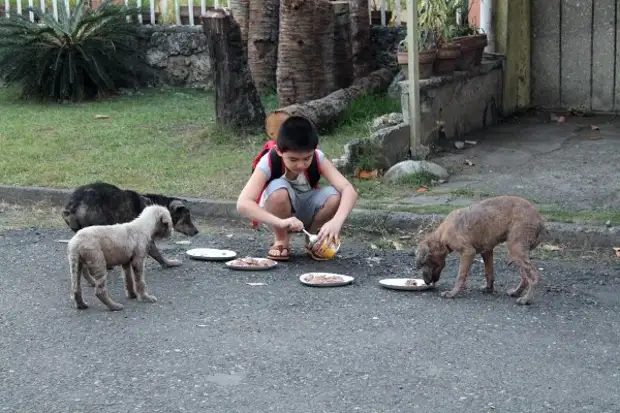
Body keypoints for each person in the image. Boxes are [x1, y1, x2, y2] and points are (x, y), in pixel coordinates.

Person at [236, 115, 358, 261]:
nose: (301, 165)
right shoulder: (269, 161)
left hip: (306, 208)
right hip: (276, 215)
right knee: (278, 190)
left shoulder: (318, 158)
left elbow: (348, 189)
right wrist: (281, 222)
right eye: (293, 159)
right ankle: (281, 240)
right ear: (280, 151)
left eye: (307, 158)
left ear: (314, 150)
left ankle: (314, 239)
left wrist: (336, 222)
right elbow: (243, 204)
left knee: (335, 196)